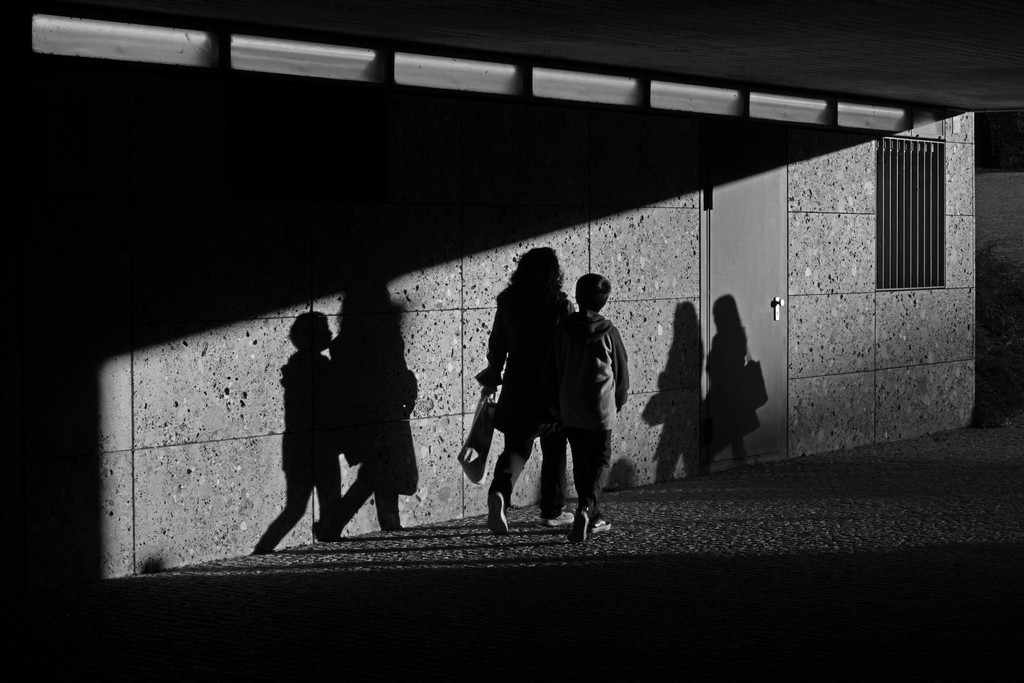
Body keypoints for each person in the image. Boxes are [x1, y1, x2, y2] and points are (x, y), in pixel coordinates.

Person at [477, 247, 575, 535]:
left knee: (517, 448)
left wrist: (494, 373)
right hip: (551, 387)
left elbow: (498, 344)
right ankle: (552, 511)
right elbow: (568, 349)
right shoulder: (560, 306)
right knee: (555, 446)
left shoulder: (508, 302)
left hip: (517, 384)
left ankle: (499, 494)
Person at [548, 273, 629, 543]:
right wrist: (619, 399)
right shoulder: (610, 332)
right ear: (604, 302)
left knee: (581, 461)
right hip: (600, 408)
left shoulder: (562, 330)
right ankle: (585, 509)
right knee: (600, 459)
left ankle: (592, 515)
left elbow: (555, 368)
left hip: (570, 407)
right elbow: (620, 371)